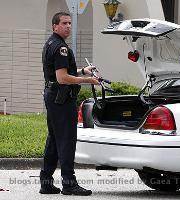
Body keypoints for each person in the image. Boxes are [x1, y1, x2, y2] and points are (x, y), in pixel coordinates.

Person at [39, 12, 98, 196]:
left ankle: (46, 182)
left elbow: (61, 71)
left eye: (70, 23)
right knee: (66, 140)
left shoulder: (51, 43)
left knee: (55, 140)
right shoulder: (60, 48)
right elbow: (62, 78)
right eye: (64, 23)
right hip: (62, 99)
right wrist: (87, 80)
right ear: (54, 26)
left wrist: (82, 70)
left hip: (53, 96)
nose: (68, 26)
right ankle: (69, 184)